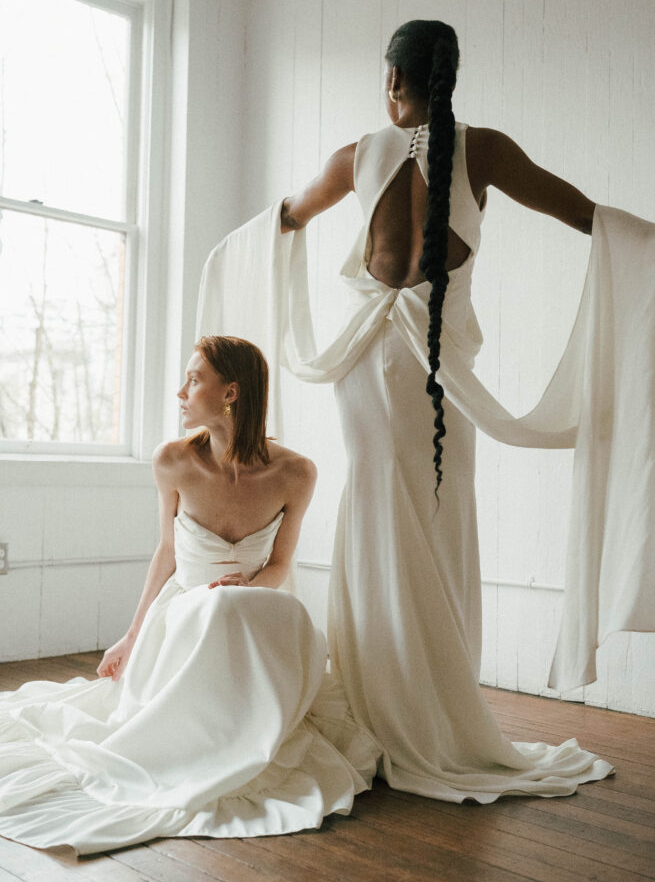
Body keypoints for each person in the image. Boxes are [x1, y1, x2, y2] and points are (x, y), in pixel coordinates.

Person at [278, 19, 614, 801]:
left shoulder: (353, 156)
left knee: (383, 513)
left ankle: (387, 697)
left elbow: (287, 217)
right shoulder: (483, 149)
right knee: (437, 513)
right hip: (427, 365)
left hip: (366, 364)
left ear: (393, 80)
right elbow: (580, 212)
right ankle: (429, 695)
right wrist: (654, 247)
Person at [0, 335, 379, 855]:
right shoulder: (173, 461)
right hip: (183, 607)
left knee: (250, 608)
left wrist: (245, 587)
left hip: (254, 601)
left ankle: (247, 731)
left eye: (194, 379)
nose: (180, 392)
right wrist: (131, 636)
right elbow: (166, 552)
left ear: (231, 393)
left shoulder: (296, 472)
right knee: (212, 607)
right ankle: (202, 741)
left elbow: (281, 564)